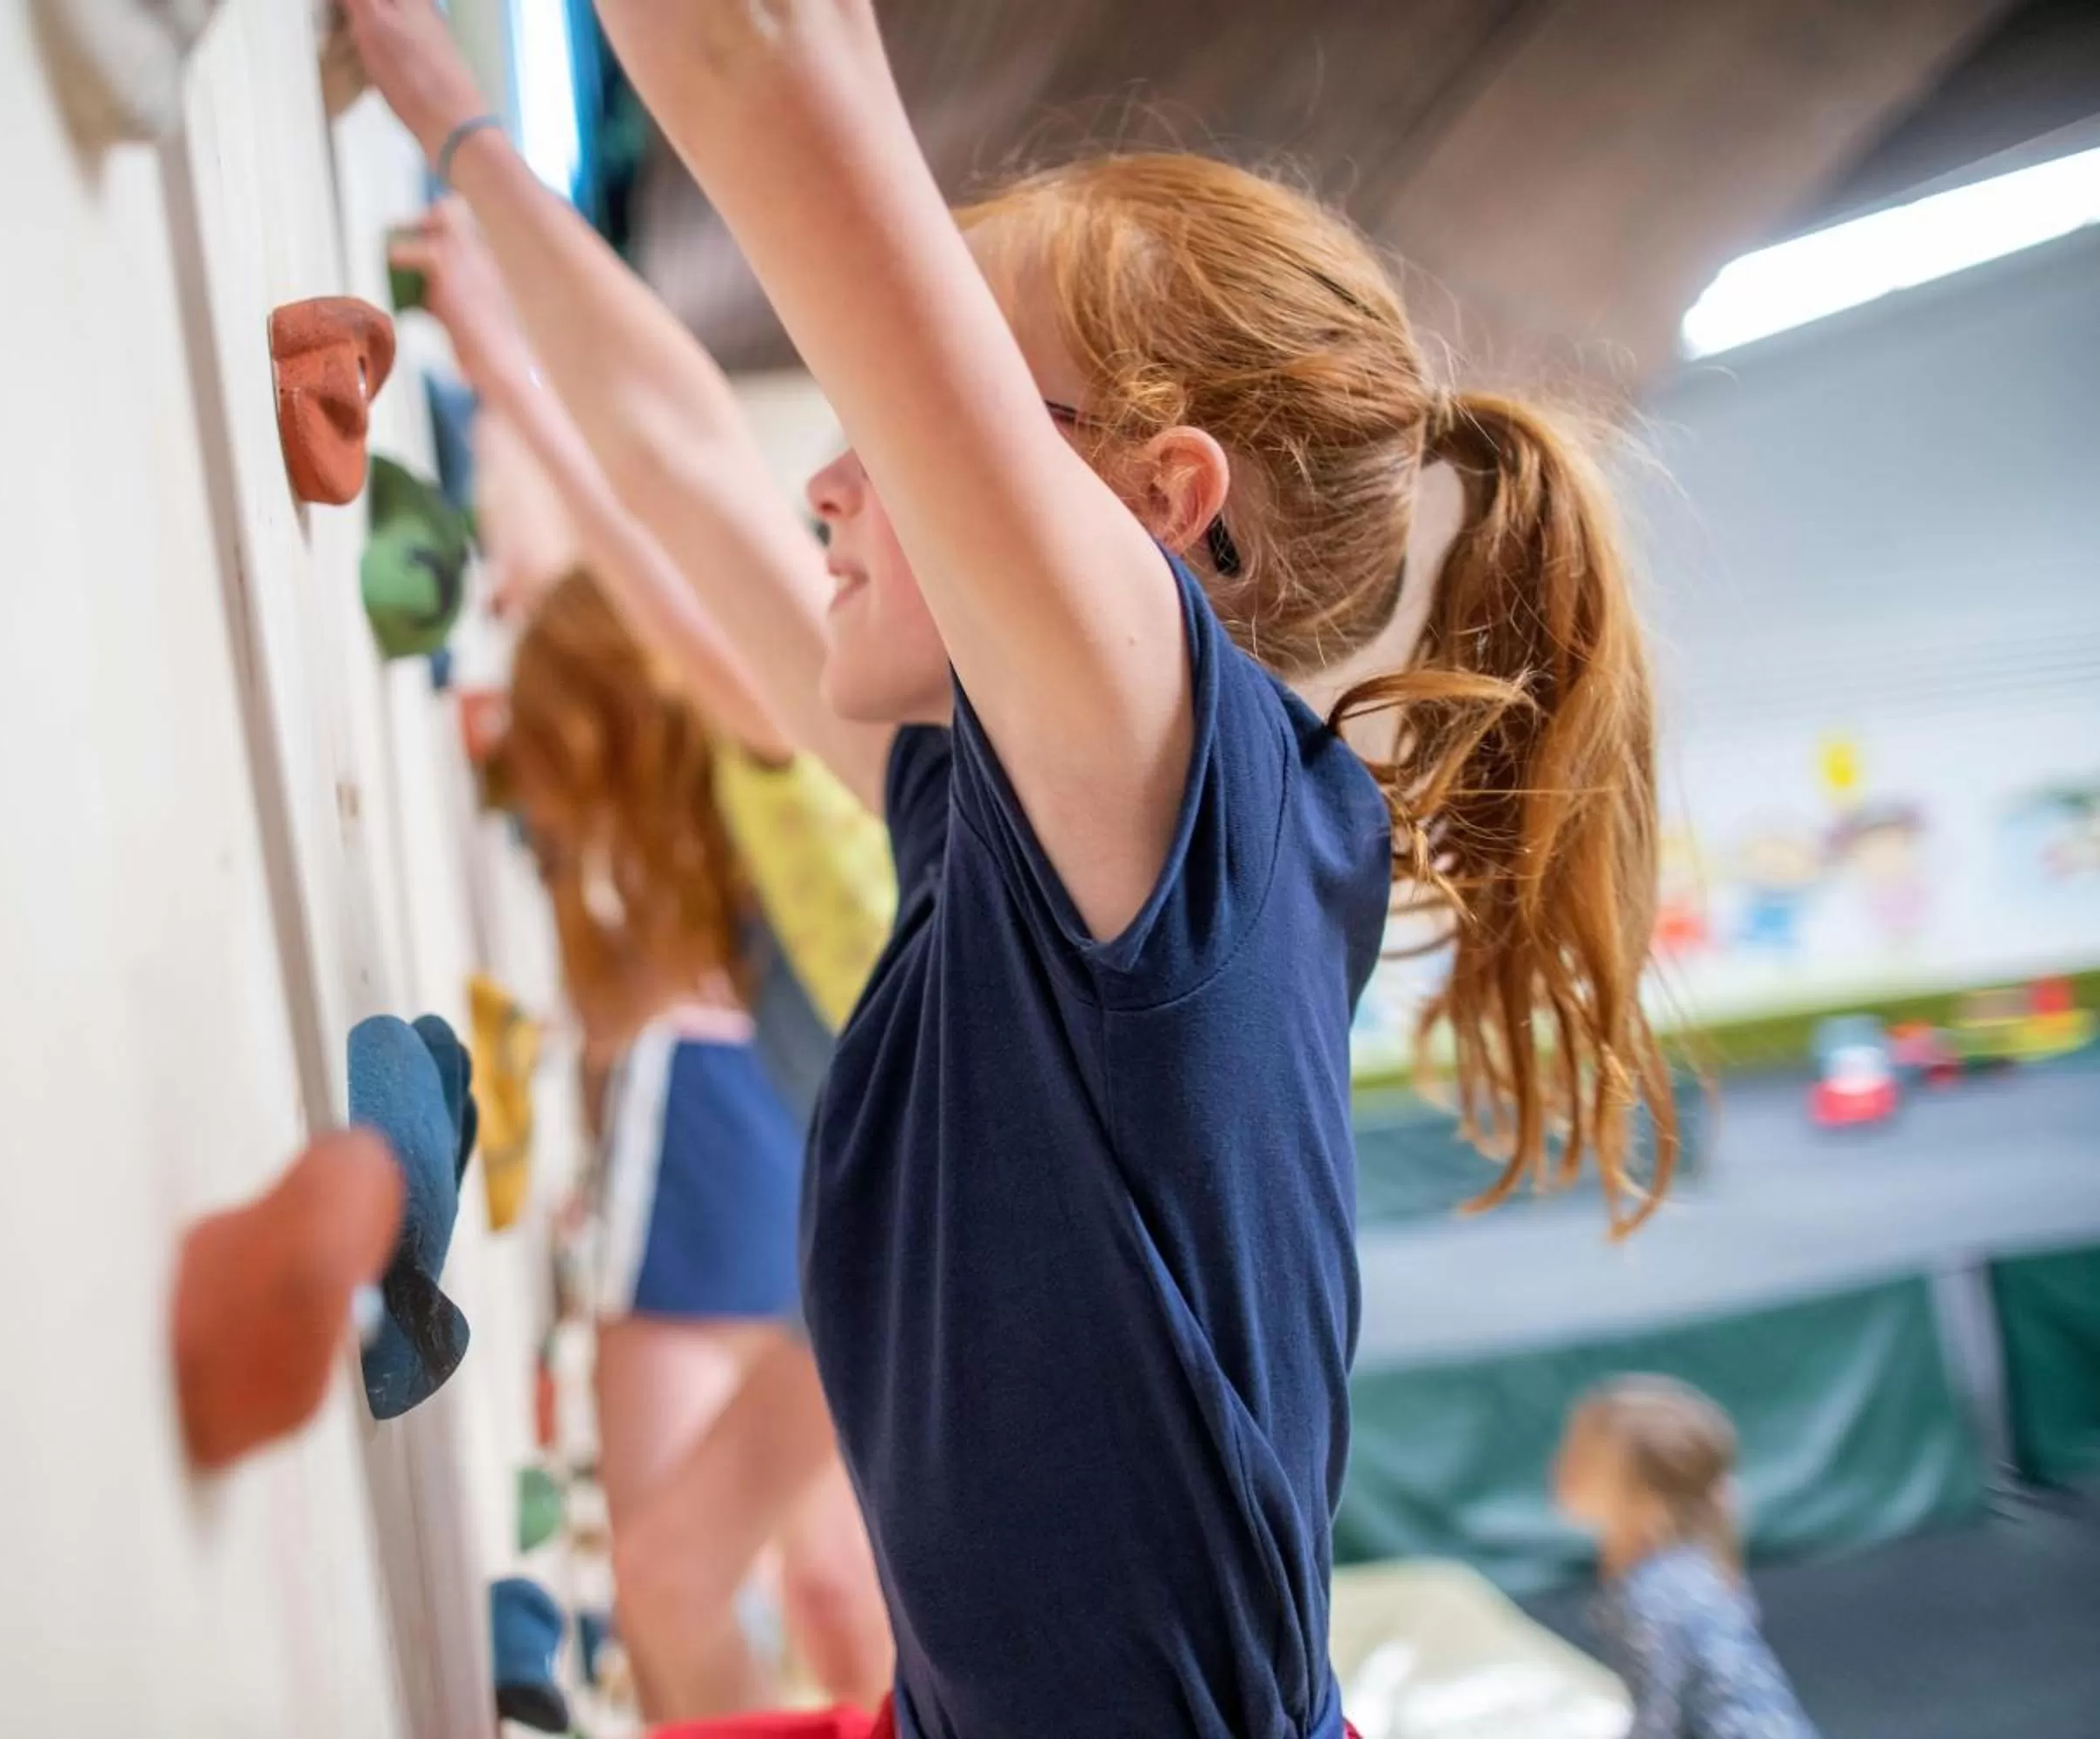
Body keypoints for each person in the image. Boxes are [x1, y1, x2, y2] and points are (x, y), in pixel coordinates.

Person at [343, 3, 1678, 1734]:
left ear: (1159, 505)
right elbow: (686, 467)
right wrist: (461, 129)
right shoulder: (1039, 834)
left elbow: (766, 65)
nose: (829, 477)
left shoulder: (1169, 772)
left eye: (908, 425)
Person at [487, 573, 893, 1720]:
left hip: (920, 1279)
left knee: (681, 1578)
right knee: (745, 1582)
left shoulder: (790, 824)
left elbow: (677, 506)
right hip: (887, 1283)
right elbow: (615, 993)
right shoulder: (734, 894)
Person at [1556, 1379, 1819, 1739]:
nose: (1561, 1468)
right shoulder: (1678, 1565)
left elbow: (1658, 1717)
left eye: (1582, 1460)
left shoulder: (1654, 1595)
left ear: (1646, 1498)